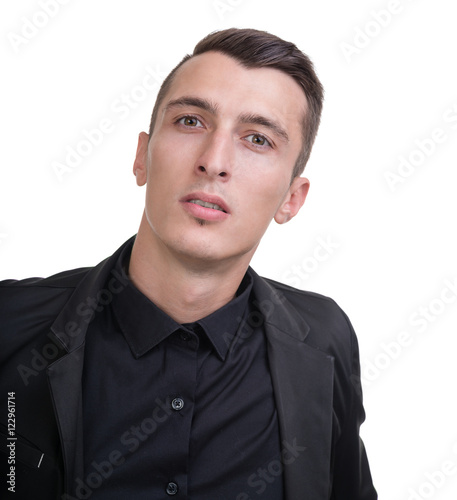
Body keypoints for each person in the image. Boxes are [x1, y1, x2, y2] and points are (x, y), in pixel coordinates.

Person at [0, 28, 377, 499]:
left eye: (257, 139)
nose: (214, 161)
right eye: (191, 122)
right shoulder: (10, 323)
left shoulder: (325, 339)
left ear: (291, 199)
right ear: (142, 157)